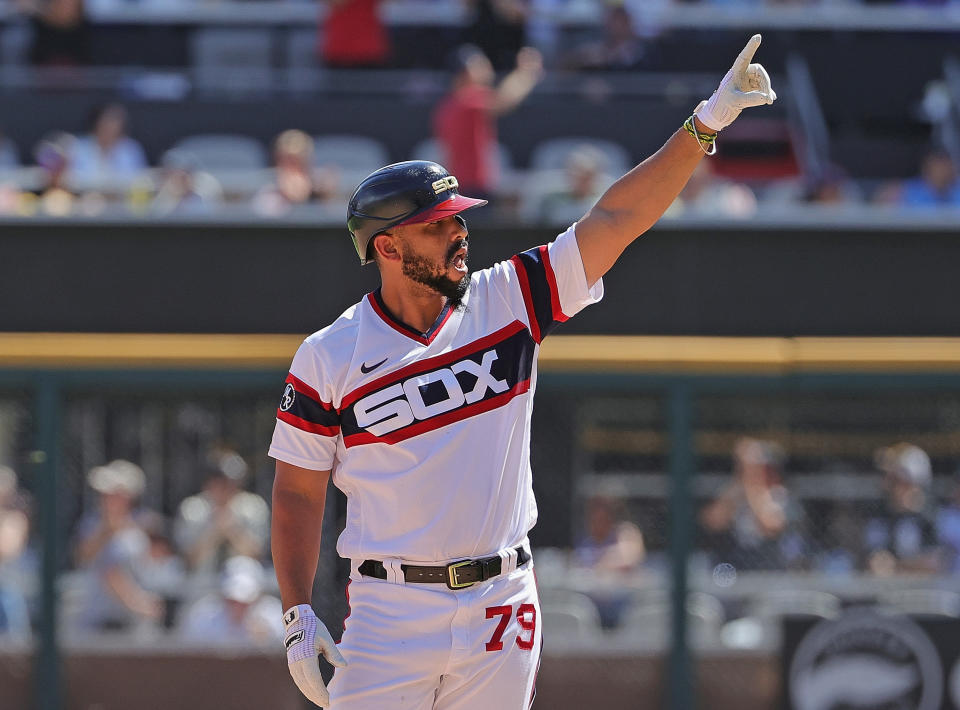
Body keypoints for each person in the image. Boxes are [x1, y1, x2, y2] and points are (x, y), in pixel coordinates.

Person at [269, 34, 775, 709]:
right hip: (389, 612)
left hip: (501, 602)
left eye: (458, 220)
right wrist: (298, 613)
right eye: (437, 225)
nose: (460, 234)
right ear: (387, 246)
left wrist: (705, 122)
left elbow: (616, 217)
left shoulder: (507, 297)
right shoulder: (329, 354)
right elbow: (298, 492)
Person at [432, 44, 543, 197]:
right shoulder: (468, 98)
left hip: (461, 186)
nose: (487, 69)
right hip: (472, 187)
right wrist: (527, 72)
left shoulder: (448, 104)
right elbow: (504, 100)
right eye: (480, 65)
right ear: (466, 73)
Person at [72, 460, 164, 634]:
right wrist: (106, 530)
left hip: (134, 624)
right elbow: (88, 561)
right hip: (98, 623)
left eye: (113, 493)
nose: (106, 497)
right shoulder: (91, 524)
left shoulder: (142, 524)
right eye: (105, 493)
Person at [700, 437, 802, 571]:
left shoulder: (779, 493)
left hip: (768, 563)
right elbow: (713, 522)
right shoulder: (735, 490)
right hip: (734, 562)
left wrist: (751, 484)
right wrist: (737, 489)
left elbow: (770, 527)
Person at [174, 449, 270, 575]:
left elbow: (256, 556)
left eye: (231, 483)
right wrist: (214, 531)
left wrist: (232, 530)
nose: (225, 487)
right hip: (201, 584)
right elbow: (188, 560)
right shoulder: (192, 509)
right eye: (220, 481)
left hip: (242, 585)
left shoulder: (253, 507)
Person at [863, 443, 941, 575]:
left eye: (896, 480)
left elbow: (933, 565)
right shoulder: (880, 515)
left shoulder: (930, 516)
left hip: (922, 591)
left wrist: (896, 566)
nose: (887, 485)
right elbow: (873, 559)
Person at [572, 494, 645, 628]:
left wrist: (601, 564)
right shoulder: (585, 540)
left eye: (602, 516)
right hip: (592, 607)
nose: (597, 521)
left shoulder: (625, 533)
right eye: (594, 516)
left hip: (623, 608)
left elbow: (630, 558)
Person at [178, 555, 283, 647]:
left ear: (258, 597)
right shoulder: (202, 615)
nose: (238, 606)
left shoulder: (274, 615)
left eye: (245, 601)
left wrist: (267, 640)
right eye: (232, 601)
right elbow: (190, 653)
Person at [68, 103, 147, 186]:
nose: (112, 125)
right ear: (97, 121)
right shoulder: (77, 147)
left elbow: (140, 180)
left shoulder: (131, 149)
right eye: (109, 119)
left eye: (117, 120)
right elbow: (71, 179)